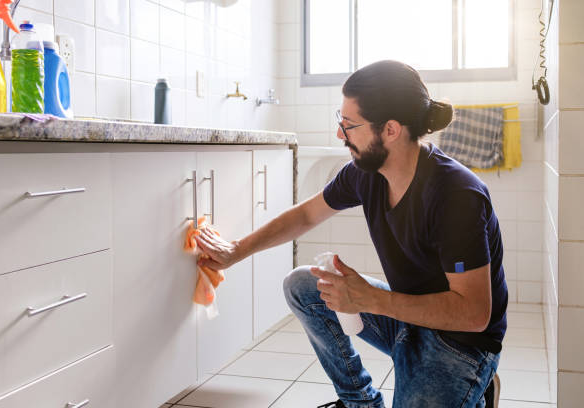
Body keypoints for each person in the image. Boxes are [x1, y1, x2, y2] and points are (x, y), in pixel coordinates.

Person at [194, 60, 507, 408]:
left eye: (349, 125)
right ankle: (361, 402)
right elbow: (306, 214)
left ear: (390, 129)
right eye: (339, 122)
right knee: (302, 287)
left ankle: (478, 386)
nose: (340, 135)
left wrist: (370, 299)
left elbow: (474, 314)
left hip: (460, 343)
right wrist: (236, 250)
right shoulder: (365, 173)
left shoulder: (456, 196)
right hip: (405, 317)